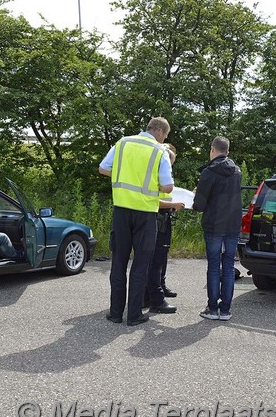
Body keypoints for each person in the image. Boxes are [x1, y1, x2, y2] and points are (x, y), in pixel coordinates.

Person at [99, 117, 174, 326]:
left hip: (121, 210)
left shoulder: (123, 142)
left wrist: (126, 177)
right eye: (165, 135)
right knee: (140, 265)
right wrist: (150, 184)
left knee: (119, 262)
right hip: (146, 213)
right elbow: (167, 187)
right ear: (159, 132)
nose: (164, 139)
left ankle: (115, 313)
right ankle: (134, 315)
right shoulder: (160, 151)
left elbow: (103, 168)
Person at [193, 136, 242, 321]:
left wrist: (197, 194)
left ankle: (212, 309)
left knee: (214, 266)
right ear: (227, 151)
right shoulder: (236, 171)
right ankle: (226, 310)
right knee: (229, 266)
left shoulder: (209, 172)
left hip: (214, 225)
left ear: (213, 149)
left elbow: (199, 205)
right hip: (232, 224)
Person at [144, 144, 185, 313]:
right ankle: (155, 299)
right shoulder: (156, 175)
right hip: (158, 219)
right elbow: (153, 200)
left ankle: (151, 294)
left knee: (159, 259)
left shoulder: (159, 174)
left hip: (163, 218)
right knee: (155, 261)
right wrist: (174, 204)